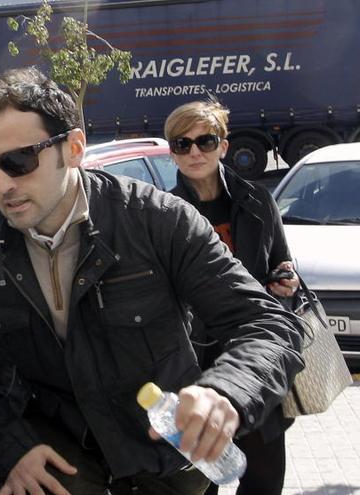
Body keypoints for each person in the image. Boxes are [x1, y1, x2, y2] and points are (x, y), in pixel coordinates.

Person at [0, 66, 304, 495]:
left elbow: (267, 326)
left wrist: (224, 393)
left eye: (19, 162)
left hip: (163, 466)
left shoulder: (159, 221)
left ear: (73, 148)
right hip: (48, 470)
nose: (2, 185)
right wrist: (8, 444)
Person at [165, 100, 299, 495]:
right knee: (200, 483)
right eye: (181, 143)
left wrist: (286, 279)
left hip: (253, 359)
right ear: (171, 150)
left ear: (223, 146)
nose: (194, 152)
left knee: (263, 481)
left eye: (205, 141)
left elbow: (282, 261)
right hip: (193, 368)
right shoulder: (163, 212)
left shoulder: (258, 201)